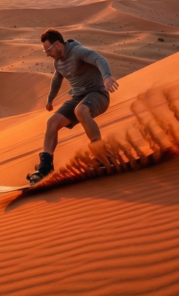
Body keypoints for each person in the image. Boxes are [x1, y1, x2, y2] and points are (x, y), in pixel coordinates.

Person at [28, 28, 119, 184]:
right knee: (52, 122)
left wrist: (107, 77)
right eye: (45, 51)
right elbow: (56, 81)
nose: (47, 54)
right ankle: (45, 167)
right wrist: (50, 99)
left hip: (98, 93)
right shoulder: (58, 63)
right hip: (78, 97)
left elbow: (99, 59)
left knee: (81, 111)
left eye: (48, 50)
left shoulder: (77, 51)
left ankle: (102, 155)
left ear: (57, 44)